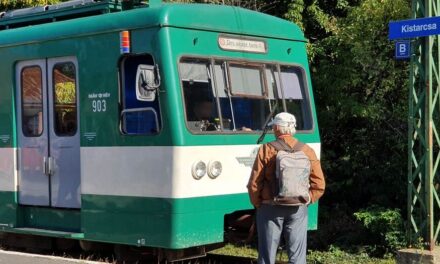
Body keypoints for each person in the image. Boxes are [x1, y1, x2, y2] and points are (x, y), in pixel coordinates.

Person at [247, 112, 325, 264]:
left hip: (270, 207)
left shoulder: (266, 150)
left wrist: (259, 204)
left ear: (276, 128)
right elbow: (319, 184)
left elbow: (254, 183)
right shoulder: (307, 150)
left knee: (267, 255)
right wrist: (307, 199)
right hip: (298, 208)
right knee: (297, 255)